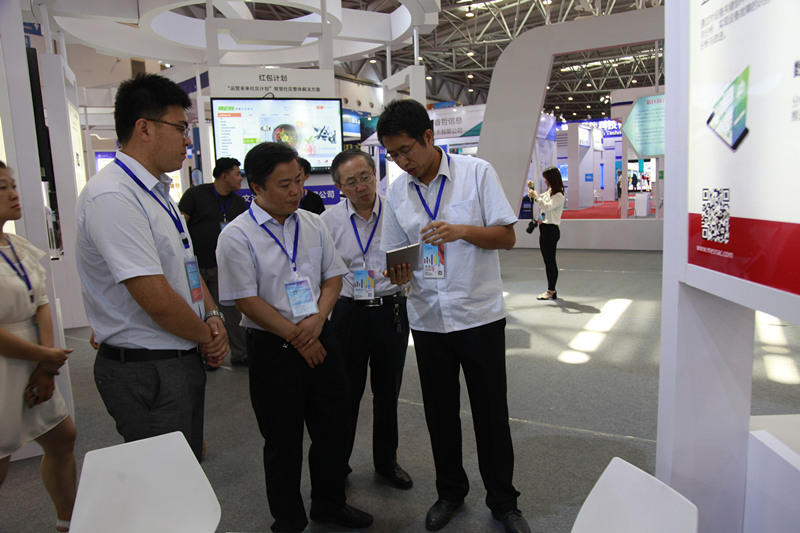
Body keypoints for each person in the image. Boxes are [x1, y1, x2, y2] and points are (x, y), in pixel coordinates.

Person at [377, 99, 530, 533]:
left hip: (478, 314)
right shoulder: (397, 192)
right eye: (393, 154)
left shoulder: (476, 173)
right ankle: (450, 492)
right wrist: (397, 271)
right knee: (439, 413)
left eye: (406, 150)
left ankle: (504, 501)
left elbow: (506, 236)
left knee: (490, 413)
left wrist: (461, 230)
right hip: (427, 319)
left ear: (428, 137)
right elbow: (394, 256)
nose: (402, 161)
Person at [216, 142, 373, 533]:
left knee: (333, 428)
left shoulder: (313, 223)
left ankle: (329, 504)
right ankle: (288, 520)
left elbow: (333, 277)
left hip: (321, 335)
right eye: (284, 185)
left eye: (299, 181)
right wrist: (298, 336)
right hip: (274, 347)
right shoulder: (237, 235)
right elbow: (246, 299)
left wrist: (317, 321)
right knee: (282, 440)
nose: (296, 191)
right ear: (256, 187)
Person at [75, 74, 229, 462]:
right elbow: (156, 299)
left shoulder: (157, 192)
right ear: (144, 128)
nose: (187, 140)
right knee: (164, 477)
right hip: (148, 367)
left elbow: (186, 267)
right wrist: (207, 337)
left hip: (177, 355)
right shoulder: (113, 196)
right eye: (180, 128)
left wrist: (212, 317)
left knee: (185, 468)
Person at [321, 149, 412, 489]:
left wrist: (409, 275)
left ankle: (386, 462)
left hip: (391, 310)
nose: (361, 187)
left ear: (376, 175)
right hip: (348, 313)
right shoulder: (327, 221)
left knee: (388, 392)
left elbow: (416, 256)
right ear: (339, 187)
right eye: (351, 182)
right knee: (346, 393)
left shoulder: (398, 212)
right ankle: (338, 463)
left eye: (366, 177)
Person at [0, 161, 77, 533]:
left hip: (34, 362)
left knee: (62, 438)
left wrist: (46, 366)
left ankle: (68, 522)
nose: (13, 194)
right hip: (5, 367)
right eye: (2, 188)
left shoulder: (17, 246)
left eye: (12, 185)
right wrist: (44, 357)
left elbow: (42, 302)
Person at [179, 157, 248, 366]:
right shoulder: (196, 195)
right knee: (198, 313)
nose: (241, 178)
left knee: (231, 313)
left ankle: (240, 353)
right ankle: (207, 356)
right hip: (195, 268)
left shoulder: (238, 202)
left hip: (222, 267)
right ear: (224, 176)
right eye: (237, 174)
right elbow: (180, 228)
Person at [528, 166, 565, 300]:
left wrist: (536, 196)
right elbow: (544, 209)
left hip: (551, 230)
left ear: (551, 179)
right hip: (544, 228)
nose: (545, 181)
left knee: (550, 262)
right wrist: (538, 221)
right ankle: (551, 290)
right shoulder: (550, 192)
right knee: (547, 261)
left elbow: (546, 206)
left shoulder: (559, 195)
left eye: (547, 179)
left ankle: (551, 290)